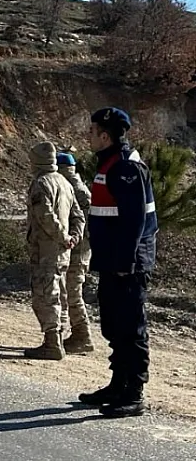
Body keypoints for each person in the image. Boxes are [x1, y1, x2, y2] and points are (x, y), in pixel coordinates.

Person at [79, 107, 157, 418]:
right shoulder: (110, 163)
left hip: (128, 263)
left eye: (92, 131)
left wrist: (125, 261)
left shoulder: (125, 168)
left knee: (131, 327)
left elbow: (134, 221)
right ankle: (118, 383)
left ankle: (133, 392)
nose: (89, 136)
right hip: (112, 260)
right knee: (114, 325)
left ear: (105, 136)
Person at [23, 142, 84, 360]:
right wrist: (73, 237)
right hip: (63, 252)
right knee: (61, 294)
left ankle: (52, 343)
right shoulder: (65, 183)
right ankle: (58, 337)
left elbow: (46, 217)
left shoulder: (41, 184)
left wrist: (64, 237)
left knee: (46, 295)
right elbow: (78, 215)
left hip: (45, 250)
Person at [56, 151, 94, 354]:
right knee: (68, 292)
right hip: (78, 250)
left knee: (72, 293)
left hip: (77, 252)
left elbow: (84, 224)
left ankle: (82, 336)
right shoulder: (76, 186)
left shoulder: (75, 190)